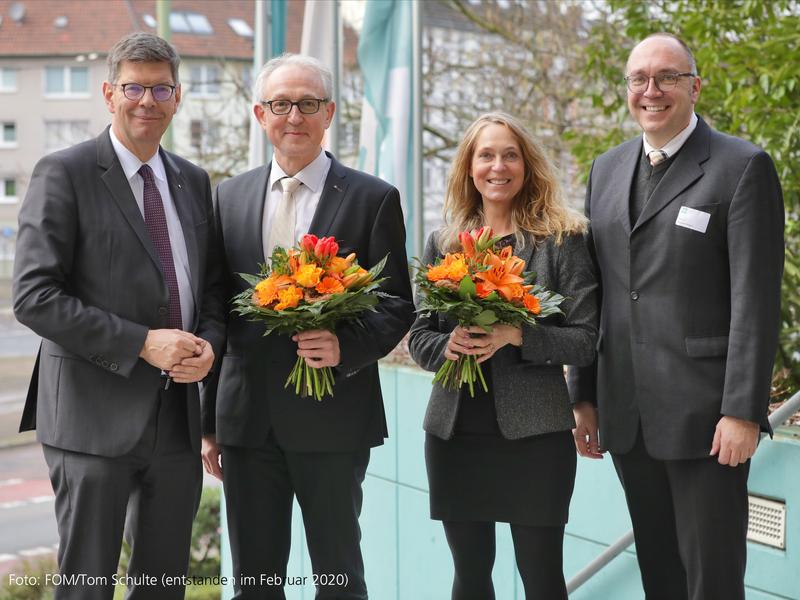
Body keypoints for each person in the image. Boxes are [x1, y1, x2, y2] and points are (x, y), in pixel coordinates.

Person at [568, 33, 784, 600]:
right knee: (659, 576)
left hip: (708, 420)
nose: (652, 90)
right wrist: (583, 395)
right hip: (628, 413)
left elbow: (755, 302)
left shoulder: (741, 167)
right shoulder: (606, 170)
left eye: (666, 77)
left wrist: (742, 410)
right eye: (639, 79)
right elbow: (598, 295)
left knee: (711, 581)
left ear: (694, 86)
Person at [12, 32, 225, 599]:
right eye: (134, 87)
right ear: (109, 93)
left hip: (177, 421)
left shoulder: (193, 181)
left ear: (177, 98)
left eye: (161, 90)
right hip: (90, 418)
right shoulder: (65, 172)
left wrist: (207, 347)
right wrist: (141, 343)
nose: (146, 101)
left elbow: (209, 292)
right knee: (87, 586)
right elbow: (34, 295)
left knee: (163, 587)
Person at [200, 53, 414, 599]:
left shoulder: (373, 198)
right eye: (281, 104)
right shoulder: (227, 197)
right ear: (259, 113)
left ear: (330, 113)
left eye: (308, 104)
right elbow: (214, 309)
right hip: (247, 421)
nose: (294, 115)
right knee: (255, 580)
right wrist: (207, 420)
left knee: (339, 576)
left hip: (334, 417)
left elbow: (396, 303)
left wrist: (343, 346)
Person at [408, 112, 598, 600]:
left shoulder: (564, 240)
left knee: (542, 580)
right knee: (470, 579)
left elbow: (585, 339)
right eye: (486, 155)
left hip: (536, 438)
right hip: (455, 435)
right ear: (469, 168)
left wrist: (518, 335)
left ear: (527, 165)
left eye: (510, 154)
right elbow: (419, 337)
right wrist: (448, 346)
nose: (498, 166)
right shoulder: (443, 243)